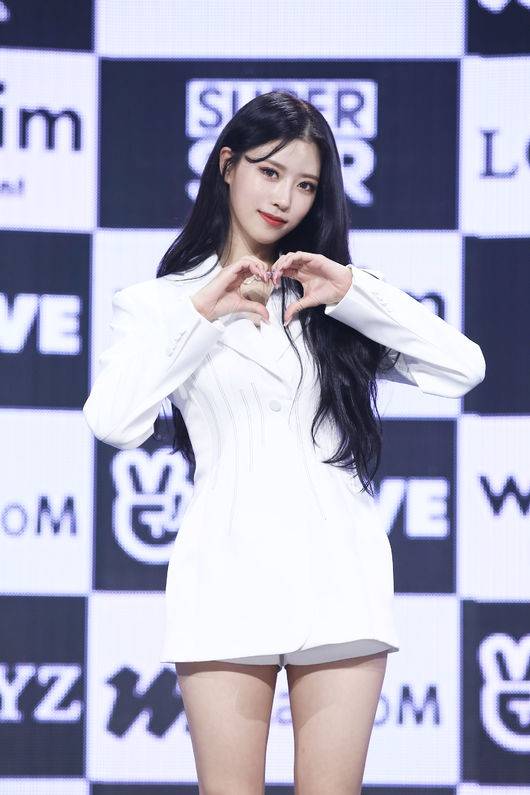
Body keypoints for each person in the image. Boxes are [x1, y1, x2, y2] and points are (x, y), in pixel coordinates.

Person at [83, 91, 486, 794]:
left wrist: (353, 291)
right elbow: (114, 422)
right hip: (225, 576)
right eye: (269, 172)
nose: (284, 199)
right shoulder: (161, 303)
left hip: (339, 575)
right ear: (227, 165)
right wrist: (201, 315)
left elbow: (463, 367)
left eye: (305, 185)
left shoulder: (331, 295)